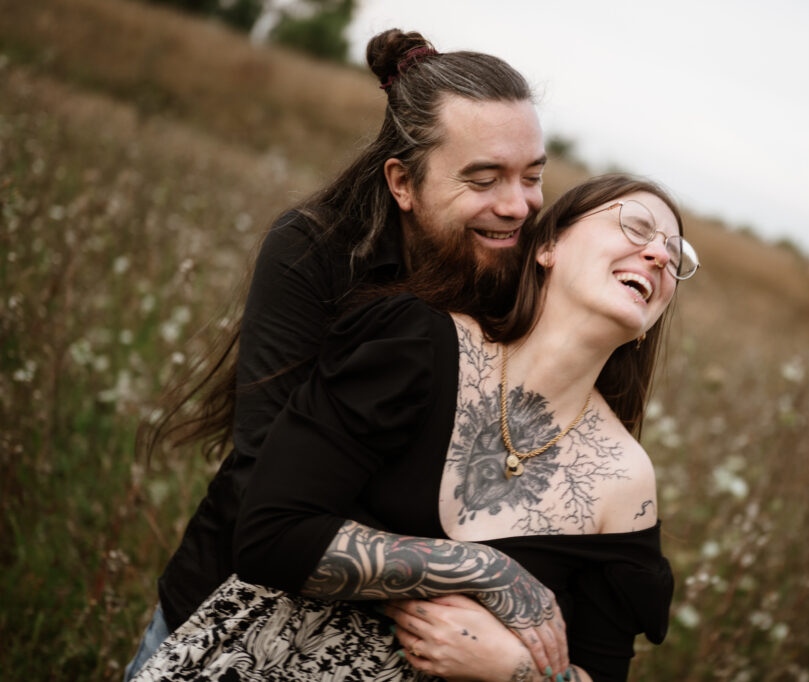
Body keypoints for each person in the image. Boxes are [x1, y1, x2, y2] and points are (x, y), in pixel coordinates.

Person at [131, 173, 700, 682]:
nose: (658, 255)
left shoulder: (625, 482)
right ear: (548, 246)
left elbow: (600, 672)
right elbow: (270, 536)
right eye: (636, 227)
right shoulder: (417, 345)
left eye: (676, 258)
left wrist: (519, 672)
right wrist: (486, 569)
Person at [125, 28, 549, 680]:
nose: (517, 205)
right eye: (484, 178)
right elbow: (266, 478)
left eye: (533, 176)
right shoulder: (316, 249)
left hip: (400, 658)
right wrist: (475, 573)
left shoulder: (524, 276)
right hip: (233, 618)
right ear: (402, 182)